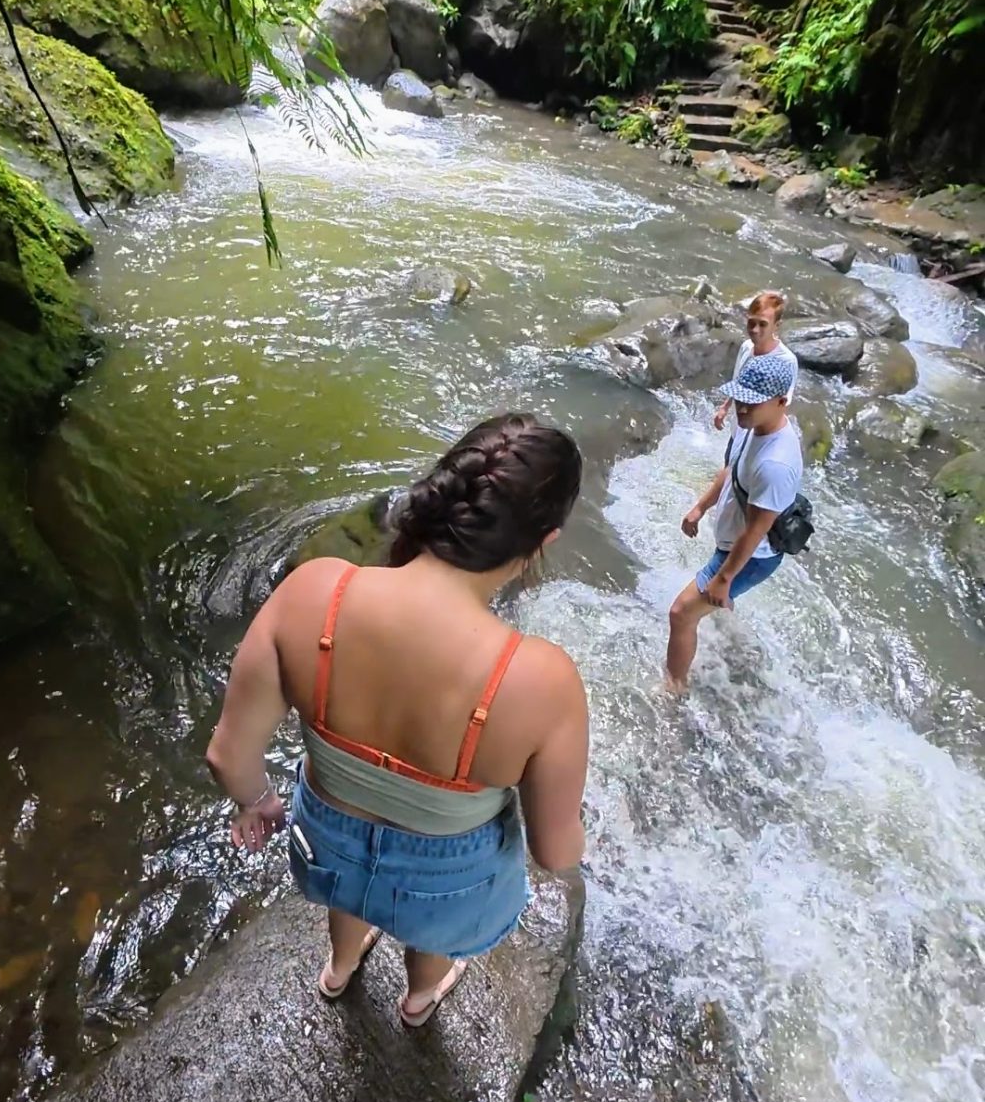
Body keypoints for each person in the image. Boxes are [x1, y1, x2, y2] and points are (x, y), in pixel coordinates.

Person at [206, 414, 589, 1027]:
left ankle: (339, 967)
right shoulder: (542, 681)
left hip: (326, 850)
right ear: (543, 542)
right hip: (448, 884)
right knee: (429, 911)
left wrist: (258, 803)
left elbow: (227, 756)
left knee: (347, 867)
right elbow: (555, 850)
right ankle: (418, 999)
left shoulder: (314, 593)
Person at [666, 354, 802, 691]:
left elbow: (756, 531)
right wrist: (700, 507)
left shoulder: (776, 463)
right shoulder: (752, 426)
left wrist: (724, 578)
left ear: (782, 401)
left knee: (681, 613)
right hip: (734, 541)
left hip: (752, 556)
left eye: (752, 403)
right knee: (703, 603)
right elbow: (730, 471)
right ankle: (719, 609)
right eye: (740, 398)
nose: (741, 408)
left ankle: (674, 688)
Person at [713, 290, 798, 432]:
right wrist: (725, 407)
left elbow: (781, 406)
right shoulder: (747, 346)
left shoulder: (786, 361)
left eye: (763, 324)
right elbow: (740, 382)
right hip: (739, 427)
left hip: (757, 432)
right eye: (751, 323)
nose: (755, 330)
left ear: (777, 325)